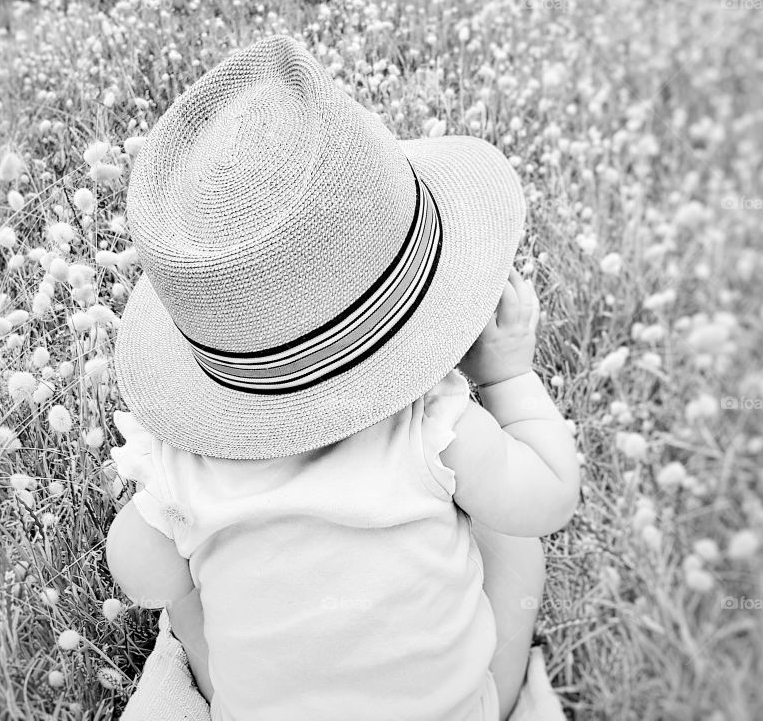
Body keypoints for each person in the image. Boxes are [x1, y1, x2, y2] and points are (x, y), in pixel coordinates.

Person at [104, 35, 579, 720]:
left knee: (183, 598)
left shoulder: (183, 471)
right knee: (512, 539)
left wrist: (171, 537)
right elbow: (552, 494)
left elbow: (139, 575)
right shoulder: (435, 426)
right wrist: (507, 378)